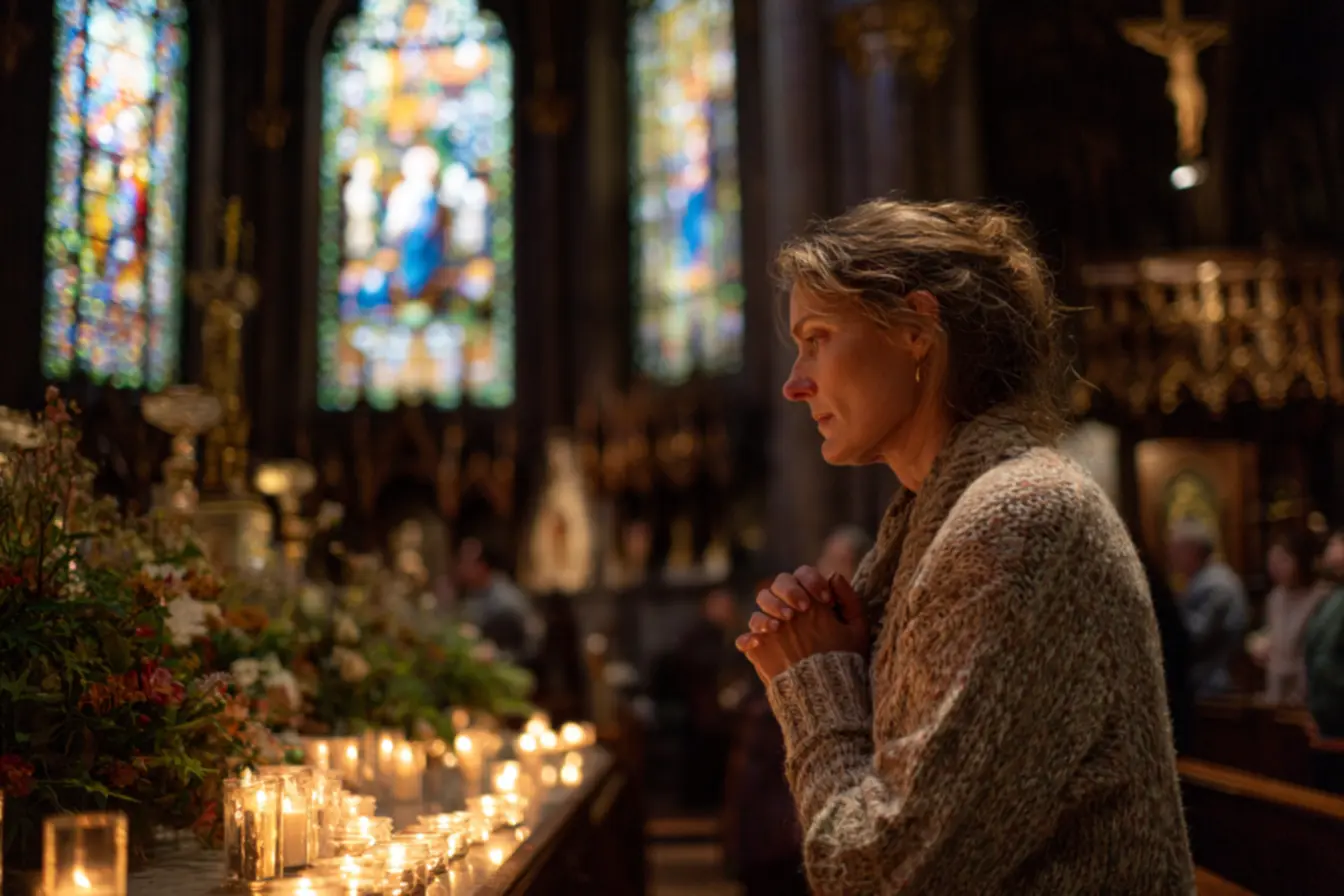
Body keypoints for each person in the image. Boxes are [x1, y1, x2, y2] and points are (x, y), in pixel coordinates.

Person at [734, 199, 1193, 894]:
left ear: (917, 328)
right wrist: (839, 656)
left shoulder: (1021, 522)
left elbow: (884, 878)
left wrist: (815, 684)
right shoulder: (935, 525)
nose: (796, 384)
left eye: (818, 336)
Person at [1167, 519, 1249, 698]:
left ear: (1193, 550)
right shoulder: (1201, 580)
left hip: (1214, 685)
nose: (1171, 555)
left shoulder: (1214, 584)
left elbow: (1192, 637)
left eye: (1176, 549)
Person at [1247, 531, 1330, 705]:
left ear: (1301, 559)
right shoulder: (1276, 597)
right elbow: (1274, 633)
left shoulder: (1323, 597)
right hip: (1277, 687)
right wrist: (1260, 642)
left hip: (1309, 690)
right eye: (1272, 561)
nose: (1275, 567)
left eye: (1283, 560)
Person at [454, 533, 542, 664]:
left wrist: (495, 655)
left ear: (482, 566)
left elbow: (528, 644)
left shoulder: (505, 599)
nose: (460, 567)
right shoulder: (470, 592)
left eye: (466, 562)